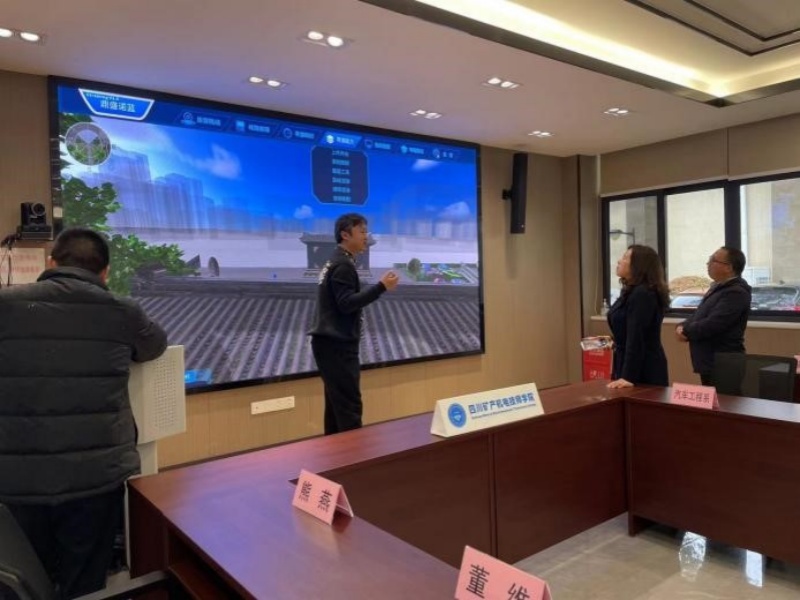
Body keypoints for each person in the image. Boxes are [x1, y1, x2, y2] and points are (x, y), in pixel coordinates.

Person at [0, 227, 167, 599]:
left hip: (17, 480)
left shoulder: (6, 303)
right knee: (86, 582)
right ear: (105, 272)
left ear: (51, 262)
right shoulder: (122, 310)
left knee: (24, 581)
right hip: (95, 478)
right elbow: (154, 345)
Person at [309, 213, 398, 435]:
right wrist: (381, 287)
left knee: (336, 409)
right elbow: (346, 303)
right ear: (345, 235)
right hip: (337, 346)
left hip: (328, 344)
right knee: (349, 409)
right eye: (362, 231)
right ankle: (354, 454)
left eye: (366, 231)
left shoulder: (335, 260)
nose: (366, 236)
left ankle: (335, 454)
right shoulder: (343, 265)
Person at [676, 246, 751, 385]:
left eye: (713, 260)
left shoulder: (736, 293)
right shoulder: (717, 288)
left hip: (723, 361)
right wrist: (681, 325)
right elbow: (698, 315)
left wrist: (686, 331)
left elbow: (714, 324)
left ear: (728, 267)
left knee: (723, 399)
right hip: (709, 360)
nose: (708, 264)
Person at [607, 245, 670, 389]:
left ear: (638, 265)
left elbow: (637, 336)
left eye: (625, 258)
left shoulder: (643, 293)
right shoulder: (630, 291)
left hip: (642, 367)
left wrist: (628, 376)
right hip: (625, 360)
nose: (619, 261)